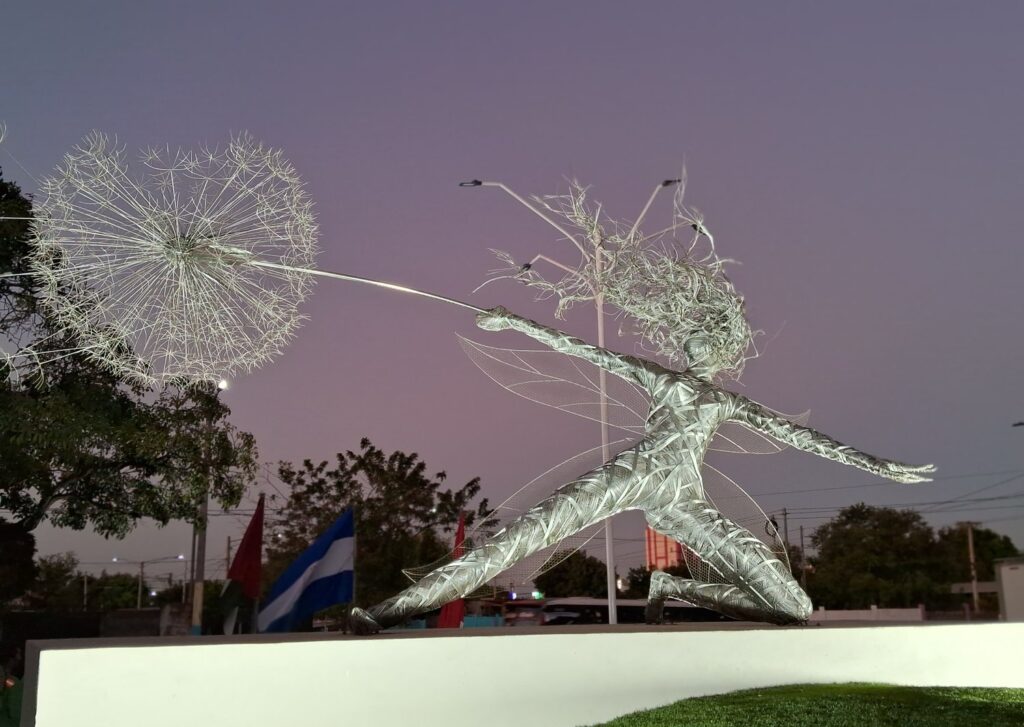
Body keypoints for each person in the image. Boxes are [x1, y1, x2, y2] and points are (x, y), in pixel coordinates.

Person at [350, 306, 933, 633]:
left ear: (721, 353)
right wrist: (517, 323)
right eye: (692, 337)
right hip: (633, 473)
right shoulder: (663, 379)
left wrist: (879, 466)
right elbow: (588, 351)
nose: (696, 345)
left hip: (684, 498)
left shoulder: (725, 402)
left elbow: (799, 435)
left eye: (708, 339)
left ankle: (676, 587)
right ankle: (384, 613)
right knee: (519, 539)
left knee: (795, 609)